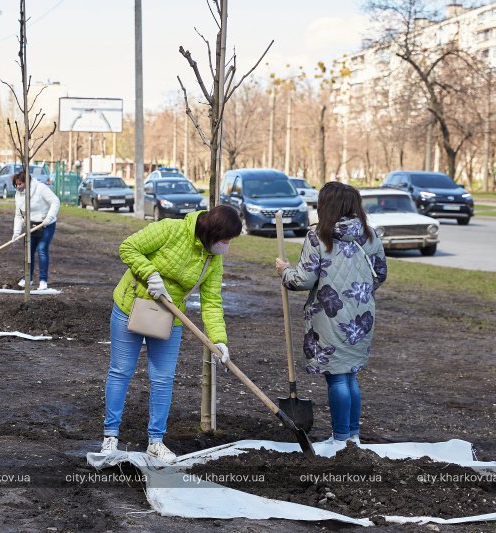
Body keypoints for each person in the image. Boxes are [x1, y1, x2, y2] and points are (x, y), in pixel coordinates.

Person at [100, 205, 242, 462]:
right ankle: (110, 436)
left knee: (163, 378)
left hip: (168, 316)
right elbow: (128, 247)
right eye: (224, 240)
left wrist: (219, 340)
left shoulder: (212, 259)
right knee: (121, 370)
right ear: (211, 232)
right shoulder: (171, 229)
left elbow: (211, 302)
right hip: (130, 306)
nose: (226, 246)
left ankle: (156, 441)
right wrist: (151, 274)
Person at [275, 182, 387, 445]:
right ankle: (352, 436)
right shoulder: (370, 235)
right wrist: (358, 293)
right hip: (362, 315)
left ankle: (340, 439)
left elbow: (302, 280)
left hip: (330, 314)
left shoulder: (318, 236)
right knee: (349, 374)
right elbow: (380, 274)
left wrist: (284, 271)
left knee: (337, 377)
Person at [11, 170, 60, 290]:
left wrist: (49, 217)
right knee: (29, 250)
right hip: (30, 226)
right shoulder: (18, 195)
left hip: (46, 224)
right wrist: (16, 232)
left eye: (20, 184)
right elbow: (19, 215)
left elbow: (55, 201)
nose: (18, 187)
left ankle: (43, 280)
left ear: (26, 182)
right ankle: (28, 278)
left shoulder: (40, 188)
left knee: (42, 249)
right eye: (16, 185)